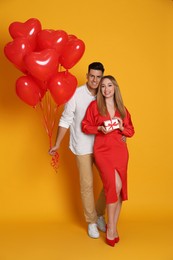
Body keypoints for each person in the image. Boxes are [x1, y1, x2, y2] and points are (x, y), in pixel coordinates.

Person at [49, 62, 106, 239]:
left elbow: (115, 116)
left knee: (112, 182)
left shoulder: (105, 93)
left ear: (101, 77)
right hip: (82, 146)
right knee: (87, 185)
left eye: (98, 77)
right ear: (87, 76)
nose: (95, 80)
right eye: (92, 76)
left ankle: (98, 214)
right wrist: (57, 143)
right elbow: (66, 120)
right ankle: (91, 222)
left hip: (103, 146)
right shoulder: (75, 94)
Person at [82, 75, 135, 246]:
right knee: (113, 187)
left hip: (120, 151)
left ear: (115, 88)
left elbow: (131, 131)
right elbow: (85, 125)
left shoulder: (122, 108)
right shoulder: (94, 106)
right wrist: (99, 128)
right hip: (102, 151)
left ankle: (113, 226)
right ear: (100, 90)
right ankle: (111, 227)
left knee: (119, 190)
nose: (106, 89)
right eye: (103, 86)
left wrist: (121, 127)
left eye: (109, 85)